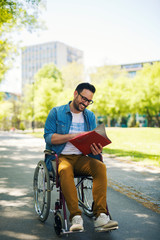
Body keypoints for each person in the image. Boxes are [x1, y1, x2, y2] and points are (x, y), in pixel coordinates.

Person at [44, 82, 118, 232]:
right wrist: (72, 136)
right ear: (75, 94)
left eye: (89, 101)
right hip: (61, 156)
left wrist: (96, 149)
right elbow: (49, 138)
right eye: (83, 98)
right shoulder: (56, 112)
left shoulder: (90, 116)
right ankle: (76, 217)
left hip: (81, 157)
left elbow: (92, 139)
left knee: (100, 167)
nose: (85, 103)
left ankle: (101, 216)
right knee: (64, 170)